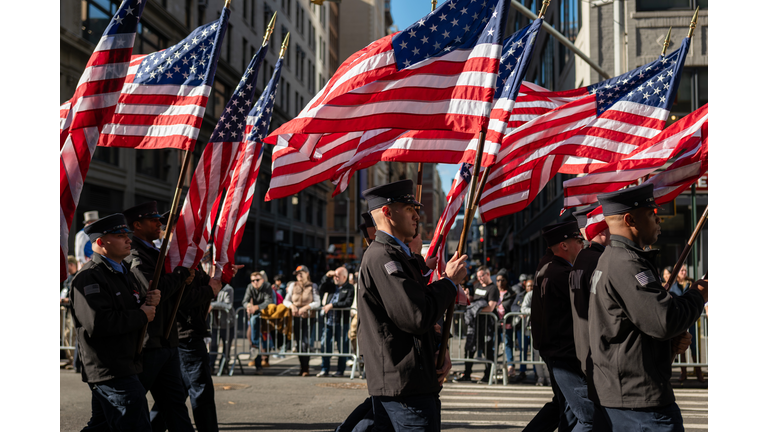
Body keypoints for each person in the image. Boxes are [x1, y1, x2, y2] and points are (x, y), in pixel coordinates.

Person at [589, 184, 707, 431]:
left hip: (627, 393)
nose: (658, 220)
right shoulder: (627, 264)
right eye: (652, 214)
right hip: (639, 402)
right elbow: (663, 320)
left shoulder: (612, 259)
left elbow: (633, 325)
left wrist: (667, 345)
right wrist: (698, 294)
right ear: (630, 219)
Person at [357, 179, 467, 431]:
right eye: (408, 209)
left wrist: (440, 348)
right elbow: (415, 315)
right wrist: (449, 283)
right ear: (386, 212)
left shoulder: (399, 256)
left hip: (410, 383)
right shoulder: (383, 256)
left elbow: (419, 316)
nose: (417, 215)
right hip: (405, 388)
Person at [69, 213, 161, 431]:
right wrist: (141, 315)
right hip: (110, 368)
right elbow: (98, 323)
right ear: (100, 242)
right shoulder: (89, 277)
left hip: (124, 363)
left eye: (127, 235)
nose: (128, 239)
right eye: (120, 235)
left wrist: (147, 301)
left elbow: (129, 306)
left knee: (102, 427)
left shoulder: (122, 272)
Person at [122, 201, 196, 432]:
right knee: (130, 406)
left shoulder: (156, 250)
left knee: (174, 404)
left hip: (166, 338)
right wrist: (181, 275)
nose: (159, 223)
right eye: (152, 219)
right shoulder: (134, 252)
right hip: (148, 341)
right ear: (137, 225)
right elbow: (152, 289)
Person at [529, 220, 596, 431]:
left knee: (564, 407)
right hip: (564, 354)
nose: (582, 245)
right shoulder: (560, 274)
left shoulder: (548, 266)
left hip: (557, 350)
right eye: (578, 241)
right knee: (588, 416)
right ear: (564, 245)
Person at [569, 205, 610, 405]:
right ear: (602, 232)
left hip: (584, 342)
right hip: (596, 347)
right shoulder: (598, 260)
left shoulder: (582, 258)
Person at [455, 266, 499, 384]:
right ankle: (467, 374)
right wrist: (468, 296)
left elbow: (490, 308)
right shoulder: (477, 286)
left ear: (488, 274)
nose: (479, 279)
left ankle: (487, 376)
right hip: (475, 325)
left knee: (487, 350)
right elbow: (473, 301)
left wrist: (474, 310)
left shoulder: (493, 289)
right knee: (469, 349)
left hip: (486, 326)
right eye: (478, 276)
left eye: (481, 276)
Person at [666, 265, 706, 384]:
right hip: (680, 320)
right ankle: (683, 373)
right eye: (681, 270)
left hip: (692, 320)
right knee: (681, 345)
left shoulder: (691, 283)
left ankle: (698, 371)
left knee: (695, 347)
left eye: (685, 270)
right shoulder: (672, 286)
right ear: (677, 272)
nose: (684, 272)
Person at [283, 265, 320, 376]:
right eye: (297, 274)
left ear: (307, 274)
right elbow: (286, 300)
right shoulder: (293, 285)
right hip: (296, 317)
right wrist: (292, 306)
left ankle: (305, 368)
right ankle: (302, 366)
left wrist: (307, 307)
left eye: (301, 273)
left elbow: (318, 302)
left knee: (305, 342)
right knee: (298, 343)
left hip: (308, 318)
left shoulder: (313, 286)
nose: (298, 275)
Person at [318, 266, 355, 377]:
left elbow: (347, 303)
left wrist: (332, 305)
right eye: (334, 276)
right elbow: (322, 288)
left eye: (337, 276)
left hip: (341, 322)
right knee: (325, 345)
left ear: (344, 277)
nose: (335, 278)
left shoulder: (350, 288)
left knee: (342, 347)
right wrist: (326, 276)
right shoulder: (332, 286)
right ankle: (325, 369)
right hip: (328, 322)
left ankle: (340, 370)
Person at [242, 271, 275, 368]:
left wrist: (256, 307)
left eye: (257, 280)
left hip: (267, 314)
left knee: (266, 337)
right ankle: (257, 362)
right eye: (253, 280)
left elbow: (268, 301)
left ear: (262, 280)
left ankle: (265, 359)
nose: (255, 282)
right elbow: (244, 301)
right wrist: (248, 306)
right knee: (253, 336)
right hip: (255, 315)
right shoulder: (250, 287)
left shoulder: (267, 286)